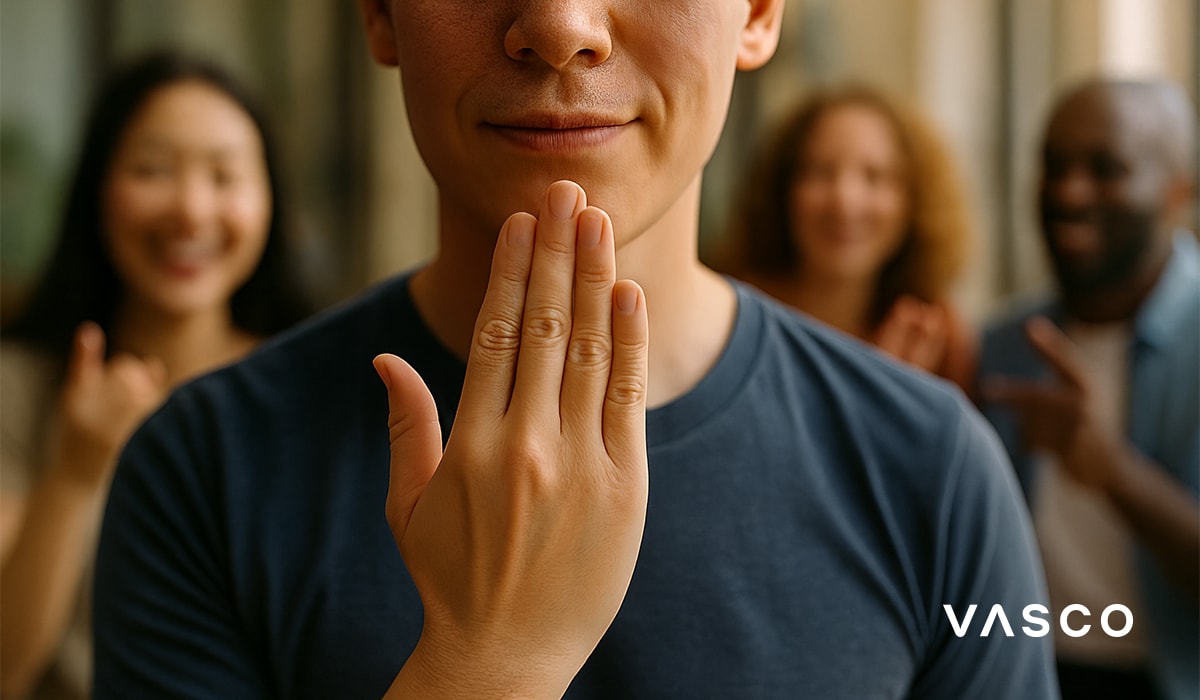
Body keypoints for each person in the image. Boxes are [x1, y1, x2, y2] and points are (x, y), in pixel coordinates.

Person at [93, 2, 1057, 697]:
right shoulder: (203, 474)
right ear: (380, 15)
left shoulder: (933, 469)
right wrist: (484, 659)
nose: (559, 24)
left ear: (759, 12)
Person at [0, 50, 313, 700]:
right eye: (153, 170)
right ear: (97, 189)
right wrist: (76, 471)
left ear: (269, 202)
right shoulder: (17, 389)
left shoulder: (320, 388)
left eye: (225, 177)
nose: (192, 210)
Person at [978, 78, 1198, 700]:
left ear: (1179, 190)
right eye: (1055, 165)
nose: (1071, 191)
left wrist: (1115, 473)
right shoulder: (1003, 346)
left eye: (1108, 169)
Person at [711, 84, 978, 391]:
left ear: (915, 200)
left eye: (874, 176)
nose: (845, 202)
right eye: (820, 172)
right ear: (783, 189)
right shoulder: (728, 318)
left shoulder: (941, 335)